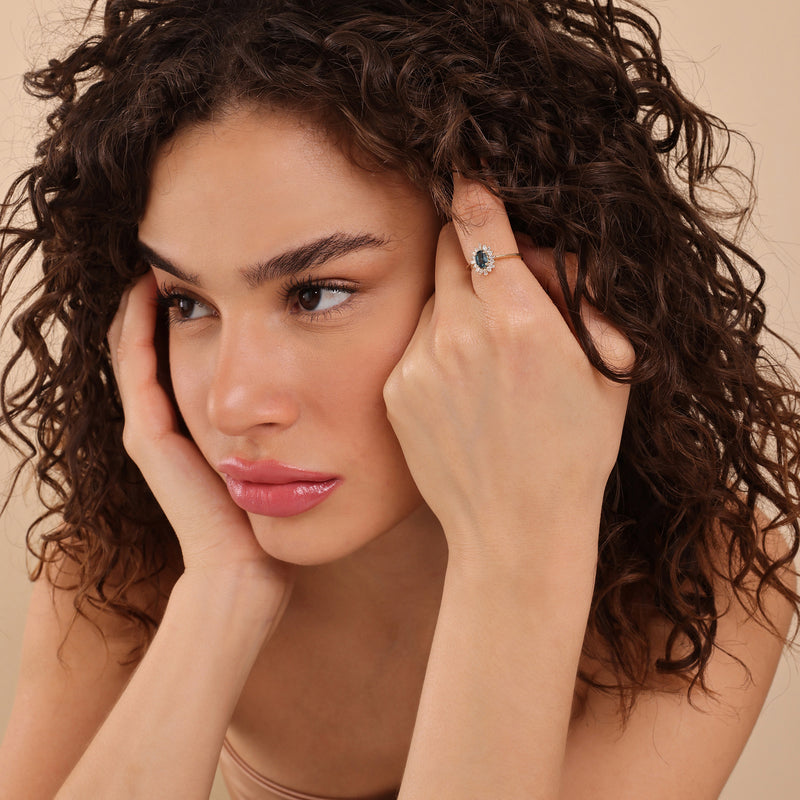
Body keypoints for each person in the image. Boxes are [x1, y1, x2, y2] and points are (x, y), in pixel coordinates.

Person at [0, 0, 798, 797]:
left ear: (515, 287)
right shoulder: (121, 560)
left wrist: (516, 550)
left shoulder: (705, 580)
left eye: (316, 294)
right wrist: (220, 592)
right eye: (188, 303)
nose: (235, 404)